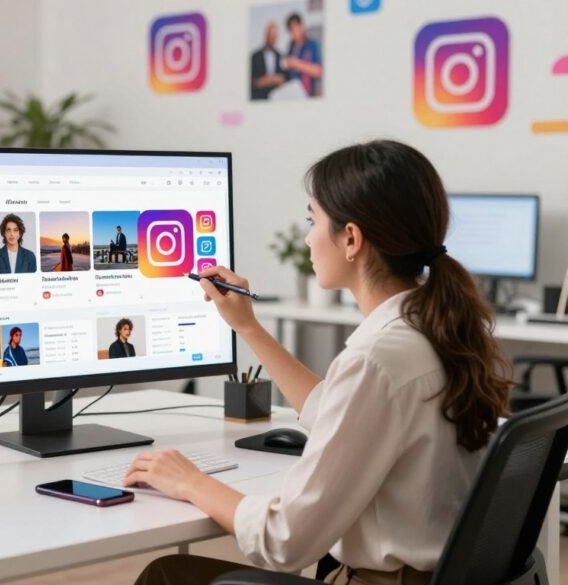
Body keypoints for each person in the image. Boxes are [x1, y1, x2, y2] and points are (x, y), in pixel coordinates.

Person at [130, 140, 511, 585]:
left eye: (313, 221)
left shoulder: (379, 358)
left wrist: (190, 482)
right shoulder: (432, 328)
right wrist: (249, 327)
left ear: (351, 238)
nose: (308, 237)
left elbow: (284, 541)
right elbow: (338, 408)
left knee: (167, 575)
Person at [282, 13, 323, 98]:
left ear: (301, 26)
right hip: (293, 93)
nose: (293, 32)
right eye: (290, 30)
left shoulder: (312, 44)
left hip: (308, 95)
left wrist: (296, 64)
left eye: (294, 28)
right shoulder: (290, 48)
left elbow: (319, 71)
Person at [250, 22, 285, 100]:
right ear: (266, 35)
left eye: (274, 36)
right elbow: (248, 81)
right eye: (270, 35)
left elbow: (285, 78)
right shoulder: (254, 56)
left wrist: (280, 79)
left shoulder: (281, 56)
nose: (272, 38)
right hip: (259, 100)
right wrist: (261, 81)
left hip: (277, 100)